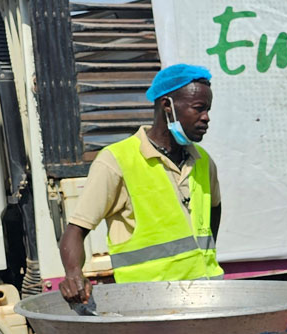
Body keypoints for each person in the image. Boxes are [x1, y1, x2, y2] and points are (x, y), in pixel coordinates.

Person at [60, 64, 222, 301]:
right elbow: (76, 229)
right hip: (148, 303)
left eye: (207, 109)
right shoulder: (116, 161)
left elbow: (214, 210)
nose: (206, 118)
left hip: (207, 297)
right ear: (167, 105)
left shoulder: (203, 161)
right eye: (198, 109)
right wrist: (74, 274)